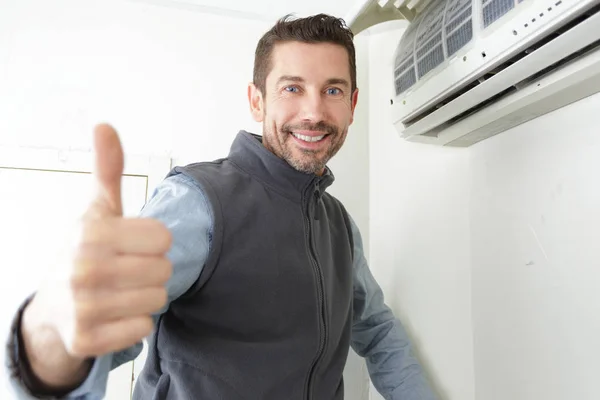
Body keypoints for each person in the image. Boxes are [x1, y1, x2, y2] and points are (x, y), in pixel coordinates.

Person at [5, 13, 438, 400]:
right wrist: (49, 339)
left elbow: (378, 331)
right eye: (292, 88)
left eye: (332, 90)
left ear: (352, 105)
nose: (313, 111)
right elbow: (101, 329)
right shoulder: (197, 202)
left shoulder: (340, 225)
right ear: (257, 101)